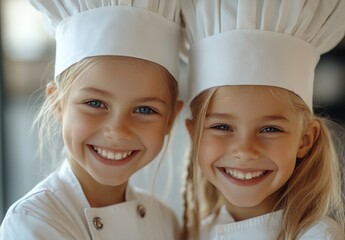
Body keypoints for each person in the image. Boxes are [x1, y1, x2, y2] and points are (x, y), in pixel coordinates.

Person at [0, 0, 183, 239]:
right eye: (95, 104)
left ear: (171, 119)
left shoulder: (166, 222)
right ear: (58, 104)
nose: (118, 131)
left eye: (145, 110)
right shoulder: (32, 224)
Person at [180, 0, 345, 239]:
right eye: (222, 127)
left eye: (270, 129)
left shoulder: (317, 236)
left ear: (305, 139)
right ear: (193, 134)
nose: (246, 151)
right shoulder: (194, 232)